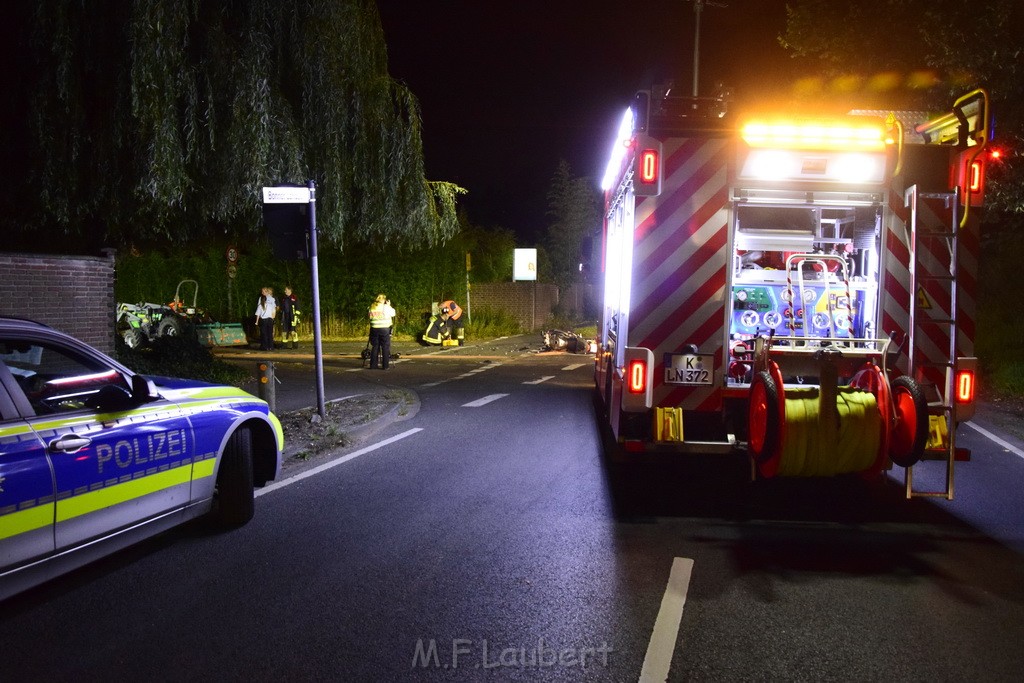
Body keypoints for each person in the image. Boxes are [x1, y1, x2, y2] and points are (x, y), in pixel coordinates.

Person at [367, 293, 396, 369]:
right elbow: (393, 313)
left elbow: (369, 317)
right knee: (385, 347)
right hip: (384, 329)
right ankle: (385, 366)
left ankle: (373, 365)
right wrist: (389, 305)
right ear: (383, 300)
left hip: (374, 328)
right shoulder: (385, 307)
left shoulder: (372, 307)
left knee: (375, 347)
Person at [254, 286, 277, 351]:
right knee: (265, 333)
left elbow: (274, 308)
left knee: (267, 333)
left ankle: (269, 346)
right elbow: (259, 307)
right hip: (264, 318)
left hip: (269, 318)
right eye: (262, 291)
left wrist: (273, 317)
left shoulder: (271, 298)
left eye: (263, 291)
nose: (262, 292)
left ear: (266, 291)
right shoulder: (260, 298)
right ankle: (266, 346)